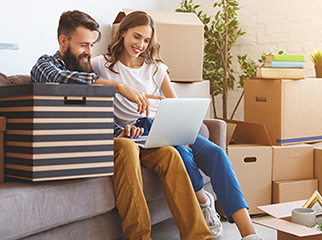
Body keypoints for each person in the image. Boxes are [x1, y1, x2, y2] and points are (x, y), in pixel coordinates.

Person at [30, 10, 212, 240]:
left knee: (168, 154)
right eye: (84, 45)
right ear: (63, 41)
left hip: (105, 140)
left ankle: (199, 236)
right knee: (125, 148)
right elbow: (55, 79)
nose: (89, 52)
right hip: (71, 149)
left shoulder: (86, 67)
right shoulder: (46, 65)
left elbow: (100, 118)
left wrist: (123, 130)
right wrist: (116, 86)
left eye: (92, 45)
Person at [91, 11, 260, 240]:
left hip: (166, 124)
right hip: (140, 132)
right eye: (136, 36)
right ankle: (203, 202)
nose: (140, 44)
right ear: (122, 33)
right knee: (180, 153)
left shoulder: (155, 68)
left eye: (146, 40)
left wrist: (182, 120)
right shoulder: (101, 65)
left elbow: (174, 104)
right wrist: (121, 88)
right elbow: (85, 83)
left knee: (217, 154)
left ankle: (249, 234)